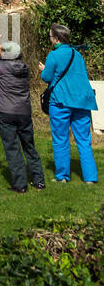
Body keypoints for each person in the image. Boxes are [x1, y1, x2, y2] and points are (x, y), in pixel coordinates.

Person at [0, 32, 45, 193]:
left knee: (12, 148)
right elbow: (6, 57)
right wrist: (1, 51)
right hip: (24, 112)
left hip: (5, 112)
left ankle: (20, 185)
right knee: (29, 146)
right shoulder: (25, 69)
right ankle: (39, 181)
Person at [40, 22, 98, 184]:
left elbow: (46, 77)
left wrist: (43, 69)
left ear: (56, 39)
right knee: (84, 140)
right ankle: (90, 178)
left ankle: (63, 176)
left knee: (60, 138)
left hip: (61, 100)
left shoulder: (53, 55)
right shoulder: (77, 55)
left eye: (50, 36)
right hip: (82, 100)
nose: (50, 39)